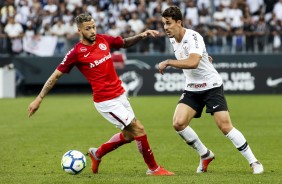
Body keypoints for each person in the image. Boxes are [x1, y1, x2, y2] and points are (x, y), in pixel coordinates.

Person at [27, 13, 174, 176]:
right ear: (79, 31)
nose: (92, 31)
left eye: (93, 27)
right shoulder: (75, 53)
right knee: (138, 129)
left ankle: (97, 154)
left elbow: (124, 43)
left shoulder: (103, 39)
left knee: (129, 135)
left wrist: (141, 35)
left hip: (120, 95)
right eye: (88, 28)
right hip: (106, 101)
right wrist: (39, 98)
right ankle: (153, 168)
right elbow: (55, 76)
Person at [158, 6, 263, 174]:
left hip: (211, 86)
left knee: (225, 127)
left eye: (169, 23)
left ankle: (254, 162)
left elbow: (193, 62)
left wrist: (169, 62)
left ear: (179, 22)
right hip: (192, 87)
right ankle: (205, 154)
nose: (166, 28)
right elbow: (195, 57)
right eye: (164, 24)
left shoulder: (193, 36)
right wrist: (205, 57)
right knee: (178, 123)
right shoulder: (173, 39)